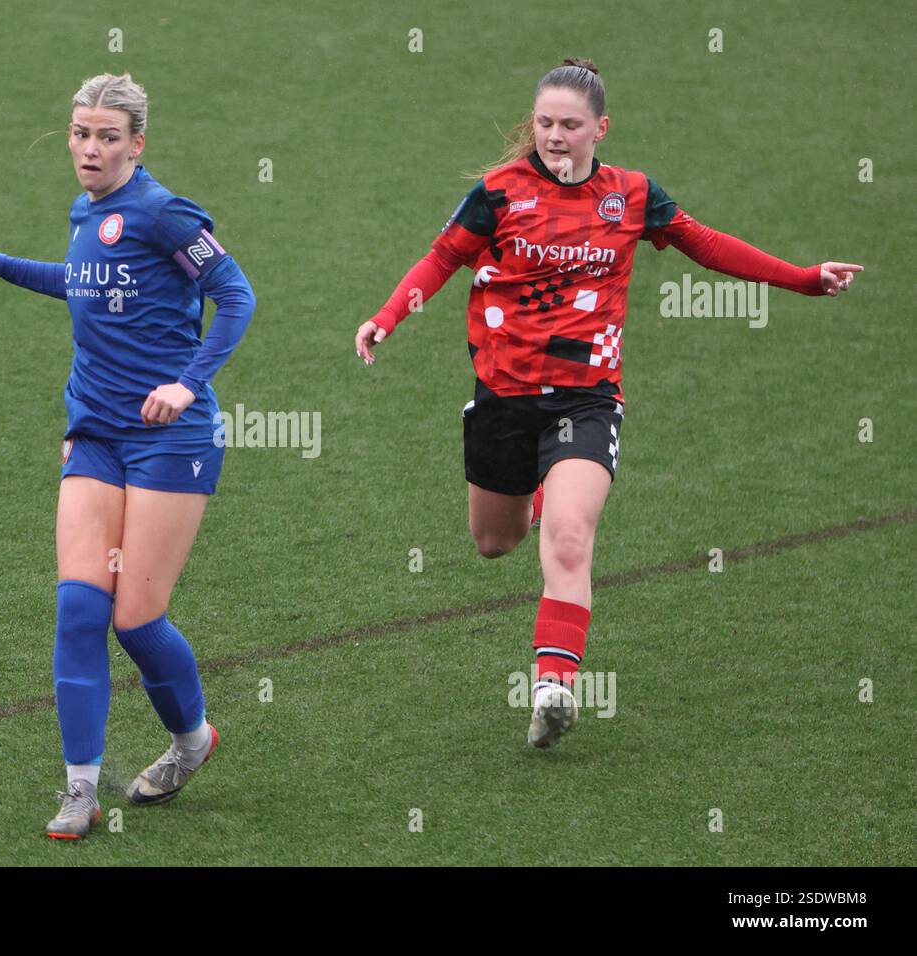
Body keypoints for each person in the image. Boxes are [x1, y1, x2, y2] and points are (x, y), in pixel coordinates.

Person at [354, 57, 861, 749]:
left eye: (569, 125)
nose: (554, 136)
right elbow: (443, 257)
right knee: (495, 541)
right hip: (503, 397)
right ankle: (529, 497)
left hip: (587, 400)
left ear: (600, 128)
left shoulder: (631, 195)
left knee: (569, 536)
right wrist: (387, 316)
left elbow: (704, 244)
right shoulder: (498, 193)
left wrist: (801, 279)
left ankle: (553, 686)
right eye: (544, 123)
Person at [0, 72, 255, 837]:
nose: (91, 149)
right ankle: (81, 787)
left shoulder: (165, 212)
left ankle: (191, 740)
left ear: (138, 143)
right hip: (96, 429)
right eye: (81, 134)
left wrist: (186, 382)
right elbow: (86, 283)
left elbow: (236, 295)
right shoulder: (87, 210)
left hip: (172, 436)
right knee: (79, 607)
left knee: (136, 621)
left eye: (108, 137)